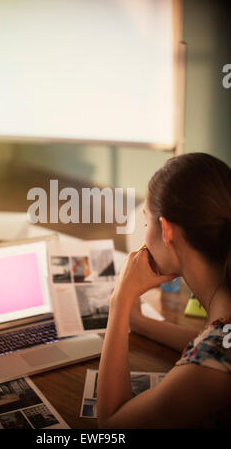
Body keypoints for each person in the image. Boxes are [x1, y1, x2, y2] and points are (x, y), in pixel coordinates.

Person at [97, 152, 231, 429]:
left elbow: (111, 425)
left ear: (167, 231)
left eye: (147, 223)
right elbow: (211, 338)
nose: (145, 233)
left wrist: (120, 301)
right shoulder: (221, 330)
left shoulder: (207, 371)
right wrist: (140, 323)